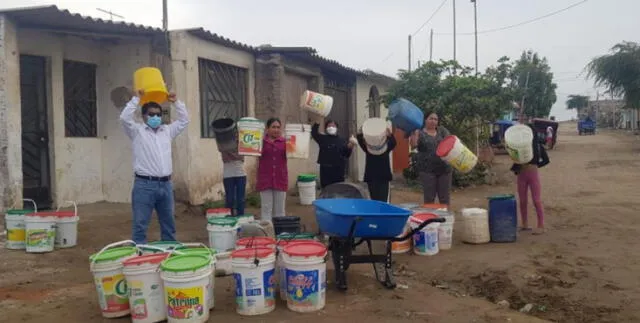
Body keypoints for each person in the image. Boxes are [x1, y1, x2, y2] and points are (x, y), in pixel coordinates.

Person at [120, 90, 189, 244]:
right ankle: (140, 258)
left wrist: (176, 101)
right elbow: (124, 118)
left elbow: (184, 120)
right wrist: (137, 99)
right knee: (140, 224)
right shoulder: (137, 131)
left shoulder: (167, 131)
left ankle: (169, 252)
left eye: (159, 114)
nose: (156, 117)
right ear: (144, 116)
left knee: (168, 224)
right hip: (145, 185)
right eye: (152, 114)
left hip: (165, 184)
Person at [510, 124, 550, 235]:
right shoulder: (521, 147)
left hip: (531, 174)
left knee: (536, 200)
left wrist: (535, 165)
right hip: (523, 175)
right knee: (523, 201)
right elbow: (515, 161)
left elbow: (546, 160)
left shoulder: (537, 146)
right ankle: (525, 224)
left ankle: (541, 226)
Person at [409, 112, 452, 207]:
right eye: (431, 118)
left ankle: (445, 220)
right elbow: (413, 146)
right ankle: (430, 220)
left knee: (444, 199)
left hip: (444, 169)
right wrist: (414, 134)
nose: (433, 121)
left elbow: (451, 142)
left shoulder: (442, 131)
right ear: (425, 120)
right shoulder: (419, 132)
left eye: (435, 119)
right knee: (429, 199)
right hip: (427, 171)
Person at [256, 118, 288, 221]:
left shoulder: (286, 142)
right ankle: (267, 234)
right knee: (266, 209)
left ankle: (279, 233)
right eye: (273, 127)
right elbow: (248, 148)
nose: (276, 129)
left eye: (278, 127)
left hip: (280, 179)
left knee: (279, 210)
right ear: (267, 129)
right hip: (265, 179)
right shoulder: (260, 142)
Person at [311, 119, 355, 188]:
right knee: (326, 189)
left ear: (337, 128)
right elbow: (314, 133)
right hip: (325, 169)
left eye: (333, 126)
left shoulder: (342, 140)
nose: (331, 127)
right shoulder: (322, 138)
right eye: (329, 126)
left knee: (338, 189)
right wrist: (317, 121)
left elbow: (346, 154)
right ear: (326, 128)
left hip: (339, 170)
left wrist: (350, 146)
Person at [356, 126, 396, 202]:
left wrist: (390, 134)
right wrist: (362, 131)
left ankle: (382, 213)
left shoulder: (385, 148)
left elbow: (393, 143)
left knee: (382, 200)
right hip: (372, 177)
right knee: (374, 200)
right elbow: (360, 140)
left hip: (383, 177)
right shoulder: (368, 148)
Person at [221, 147, 246, 217]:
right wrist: (238, 153)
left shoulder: (242, 139)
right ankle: (229, 221)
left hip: (241, 173)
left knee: (240, 200)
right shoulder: (223, 140)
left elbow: (248, 150)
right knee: (229, 200)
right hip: (228, 174)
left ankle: (240, 220)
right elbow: (221, 148)